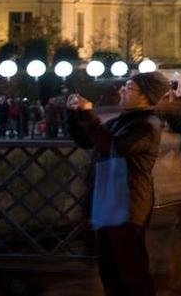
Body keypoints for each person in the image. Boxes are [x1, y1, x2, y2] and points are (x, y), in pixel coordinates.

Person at [67, 71, 168, 296]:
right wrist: (74, 115)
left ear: (146, 96)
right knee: (110, 270)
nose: (123, 90)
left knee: (132, 271)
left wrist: (89, 115)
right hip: (109, 203)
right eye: (125, 86)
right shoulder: (121, 121)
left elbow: (115, 147)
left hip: (129, 206)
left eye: (130, 88)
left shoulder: (148, 125)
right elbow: (87, 140)